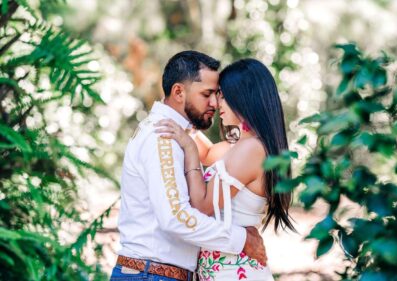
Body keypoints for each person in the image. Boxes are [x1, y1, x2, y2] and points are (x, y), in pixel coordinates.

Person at [110, 51, 267, 281]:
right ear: (179, 92)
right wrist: (242, 240)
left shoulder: (178, 134)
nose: (214, 103)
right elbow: (176, 217)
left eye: (218, 95)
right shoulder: (163, 136)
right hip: (150, 275)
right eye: (207, 94)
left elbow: (210, 153)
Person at [154, 58, 295, 281]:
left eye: (222, 95)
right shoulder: (243, 146)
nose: (217, 103)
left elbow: (202, 207)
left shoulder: (251, 150)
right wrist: (176, 111)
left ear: (243, 98)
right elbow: (209, 153)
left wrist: (189, 148)